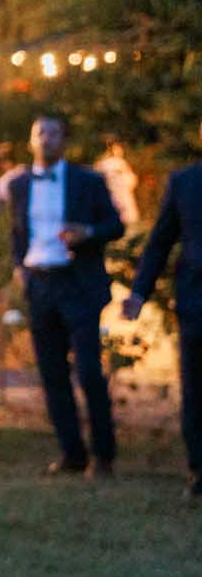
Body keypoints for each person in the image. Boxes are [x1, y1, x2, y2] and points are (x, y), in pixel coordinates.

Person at [8, 113, 124, 478]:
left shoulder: (87, 181)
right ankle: (72, 454)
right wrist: (20, 269)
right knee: (52, 372)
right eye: (40, 132)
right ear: (31, 140)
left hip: (77, 283)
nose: (47, 139)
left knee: (89, 371)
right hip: (39, 284)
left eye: (54, 133)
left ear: (64, 140)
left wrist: (87, 231)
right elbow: (16, 232)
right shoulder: (19, 185)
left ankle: (103, 455)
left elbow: (115, 225)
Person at [121, 120, 202, 500]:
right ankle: (198, 472)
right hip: (196, 300)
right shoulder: (184, 183)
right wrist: (139, 292)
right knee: (196, 390)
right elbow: (158, 244)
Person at [96, 137, 141, 229]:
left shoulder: (102, 164)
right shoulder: (117, 163)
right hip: (117, 196)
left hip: (118, 196)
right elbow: (131, 180)